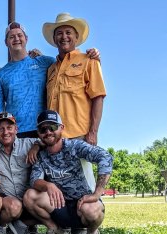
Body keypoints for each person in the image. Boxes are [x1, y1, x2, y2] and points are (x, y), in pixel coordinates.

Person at [23, 110, 112, 234]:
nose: (48, 132)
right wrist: (48, 185)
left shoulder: (75, 146)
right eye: (43, 129)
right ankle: (55, 229)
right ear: (39, 133)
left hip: (82, 205)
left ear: (61, 128)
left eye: (52, 127)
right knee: (30, 196)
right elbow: (34, 180)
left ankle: (92, 232)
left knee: (93, 210)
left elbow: (105, 157)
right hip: (59, 206)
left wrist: (96, 194)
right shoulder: (40, 155)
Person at [43, 12, 106, 202]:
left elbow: (98, 96)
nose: (64, 37)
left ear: (76, 37)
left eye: (68, 32)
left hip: (79, 134)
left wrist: (93, 132)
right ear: (54, 39)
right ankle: (67, 225)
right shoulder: (51, 69)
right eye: (59, 33)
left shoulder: (89, 61)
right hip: (55, 137)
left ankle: (90, 226)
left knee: (85, 182)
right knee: (60, 183)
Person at [0, 112, 40, 234]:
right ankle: (1, 227)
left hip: (28, 201)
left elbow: (48, 139)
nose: (5, 132)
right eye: (1, 129)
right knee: (14, 206)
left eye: (9, 128)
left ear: (16, 129)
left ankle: (21, 225)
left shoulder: (29, 143)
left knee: (49, 204)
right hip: (6, 204)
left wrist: (37, 146)